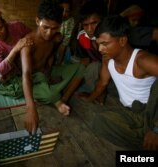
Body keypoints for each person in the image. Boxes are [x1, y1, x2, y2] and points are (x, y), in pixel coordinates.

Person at [80, 15, 158, 150]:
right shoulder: (107, 58)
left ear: (122, 40)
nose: (100, 49)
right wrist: (89, 98)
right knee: (99, 122)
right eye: (99, 44)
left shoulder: (143, 60)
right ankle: (147, 141)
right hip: (129, 111)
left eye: (105, 44)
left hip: (150, 113)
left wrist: (157, 129)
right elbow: (102, 83)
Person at [20, 0, 85, 133]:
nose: (49, 33)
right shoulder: (28, 43)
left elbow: (50, 54)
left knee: (81, 67)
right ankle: (54, 96)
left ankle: (64, 98)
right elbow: (26, 74)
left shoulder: (56, 37)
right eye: (46, 27)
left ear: (60, 25)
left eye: (54, 28)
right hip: (32, 79)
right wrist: (31, 108)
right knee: (49, 92)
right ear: (37, 21)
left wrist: (49, 69)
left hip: (46, 73)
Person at [0, 9, 33, 82]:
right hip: (13, 68)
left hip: (27, 58)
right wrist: (15, 49)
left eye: (0, 28)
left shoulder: (17, 27)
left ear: (4, 22)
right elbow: (0, 69)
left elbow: (33, 36)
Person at [56, 0, 76, 64]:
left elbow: (64, 44)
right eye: (62, 10)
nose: (64, 14)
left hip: (63, 49)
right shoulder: (53, 17)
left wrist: (59, 62)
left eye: (67, 11)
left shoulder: (70, 22)